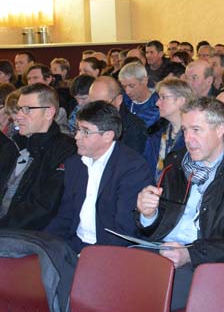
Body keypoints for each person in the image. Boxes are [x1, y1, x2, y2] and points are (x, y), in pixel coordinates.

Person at [135, 97, 224, 311]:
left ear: (220, 129)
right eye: (185, 130)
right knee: (109, 280)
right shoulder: (176, 162)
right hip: (162, 250)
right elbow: (154, 226)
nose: (188, 138)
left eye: (196, 130)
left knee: (140, 299)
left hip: (204, 263)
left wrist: (190, 254)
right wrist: (148, 214)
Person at [45, 101, 151, 254]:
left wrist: (90, 256)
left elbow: (124, 230)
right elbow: (65, 215)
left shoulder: (133, 168)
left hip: (111, 251)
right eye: (77, 129)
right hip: (74, 243)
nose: (77, 137)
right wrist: (45, 243)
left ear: (108, 135)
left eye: (85, 132)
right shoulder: (75, 164)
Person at [0, 84, 77, 230]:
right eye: (19, 109)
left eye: (27, 109)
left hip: (28, 235)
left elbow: (45, 207)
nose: (18, 116)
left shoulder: (66, 150)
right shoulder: (13, 145)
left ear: (48, 112)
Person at [143, 79, 196, 178]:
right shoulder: (155, 134)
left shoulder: (195, 137)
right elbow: (145, 169)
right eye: (159, 98)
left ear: (181, 101)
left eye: (163, 97)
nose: (157, 103)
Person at [88, 76, 148, 154]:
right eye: (92, 104)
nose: (96, 110)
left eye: (102, 105)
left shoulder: (135, 127)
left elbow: (130, 161)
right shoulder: (87, 120)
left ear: (118, 99)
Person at [120, 62, 161, 127]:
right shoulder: (121, 100)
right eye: (124, 86)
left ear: (144, 81)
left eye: (131, 85)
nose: (127, 91)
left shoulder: (158, 103)